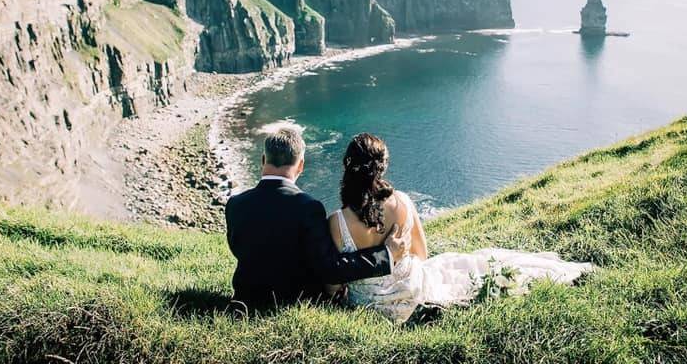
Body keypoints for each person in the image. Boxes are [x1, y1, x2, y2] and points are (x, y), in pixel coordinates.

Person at [327, 133, 594, 323]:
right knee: (467, 267)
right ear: (382, 167)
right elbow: (421, 254)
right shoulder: (403, 203)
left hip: (367, 308)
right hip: (412, 293)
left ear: (348, 168)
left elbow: (333, 282)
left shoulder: (337, 222)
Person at [224, 127, 409, 311]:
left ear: (263, 160)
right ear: (301, 165)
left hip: (247, 300)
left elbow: (239, 248)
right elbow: (330, 269)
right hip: (293, 303)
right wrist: (386, 255)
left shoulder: (235, 204)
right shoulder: (308, 208)